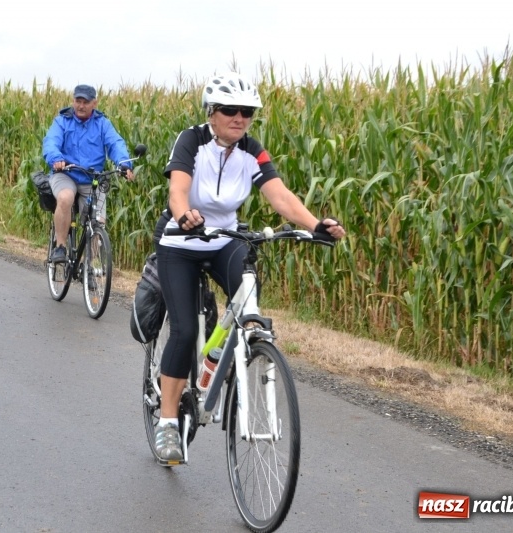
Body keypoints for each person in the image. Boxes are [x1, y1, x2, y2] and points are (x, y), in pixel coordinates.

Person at [152, 73, 346, 462]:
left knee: (248, 308)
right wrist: (185, 214)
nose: (240, 118)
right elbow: (178, 190)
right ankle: (168, 423)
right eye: (230, 110)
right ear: (211, 112)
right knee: (185, 330)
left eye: (248, 112)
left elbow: (280, 196)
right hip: (182, 241)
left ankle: (219, 357)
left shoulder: (251, 150)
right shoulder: (191, 140)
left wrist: (315, 225)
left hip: (225, 238)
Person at [42, 84, 134, 263]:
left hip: (92, 178)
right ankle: (60, 247)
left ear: (94, 103)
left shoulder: (102, 124)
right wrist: (56, 159)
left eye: (85, 102)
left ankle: (89, 266)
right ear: (73, 101)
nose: (81, 106)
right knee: (65, 198)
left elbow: (115, 143)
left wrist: (124, 164)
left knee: (97, 221)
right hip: (65, 173)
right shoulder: (62, 121)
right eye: (78, 101)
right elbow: (51, 142)